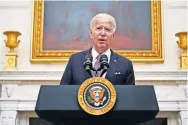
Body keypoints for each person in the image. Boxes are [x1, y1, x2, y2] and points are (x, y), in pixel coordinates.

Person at [60, 13, 135, 85]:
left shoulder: (125, 64)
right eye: (98, 28)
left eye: (107, 29)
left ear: (113, 36)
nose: (102, 33)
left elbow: (129, 95)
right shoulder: (75, 60)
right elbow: (63, 91)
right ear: (91, 34)